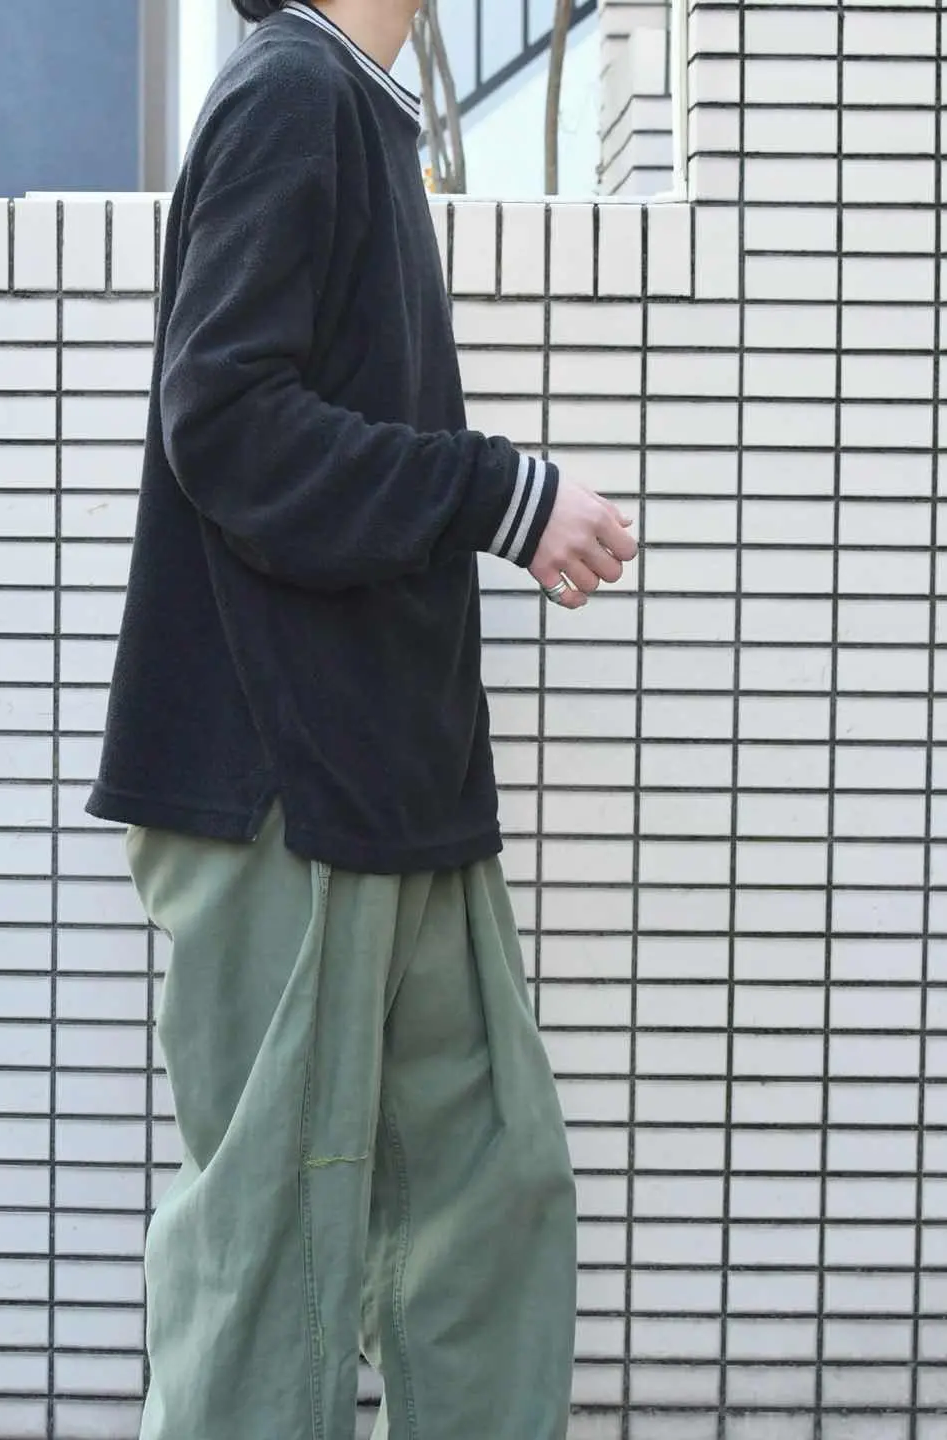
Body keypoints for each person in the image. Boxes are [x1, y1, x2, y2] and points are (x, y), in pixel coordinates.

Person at [88, 1, 638, 1434]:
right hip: (292, 783)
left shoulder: (358, 113)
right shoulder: (291, 94)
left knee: (489, 1197)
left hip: (398, 784)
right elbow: (224, 419)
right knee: (274, 1258)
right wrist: (497, 493)